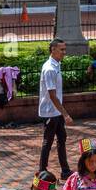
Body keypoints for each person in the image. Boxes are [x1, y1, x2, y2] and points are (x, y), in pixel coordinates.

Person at [38, 38, 72, 177]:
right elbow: (52, 95)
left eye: (65, 49)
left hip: (56, 111)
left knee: (62, 138)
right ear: (53, 50)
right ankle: (42, 171)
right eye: (62, 49)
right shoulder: (50, 69)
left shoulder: (56, 64)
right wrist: (65, 114)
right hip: (50, 111)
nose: (64, 52)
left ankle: (65, 170)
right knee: (48, 141)